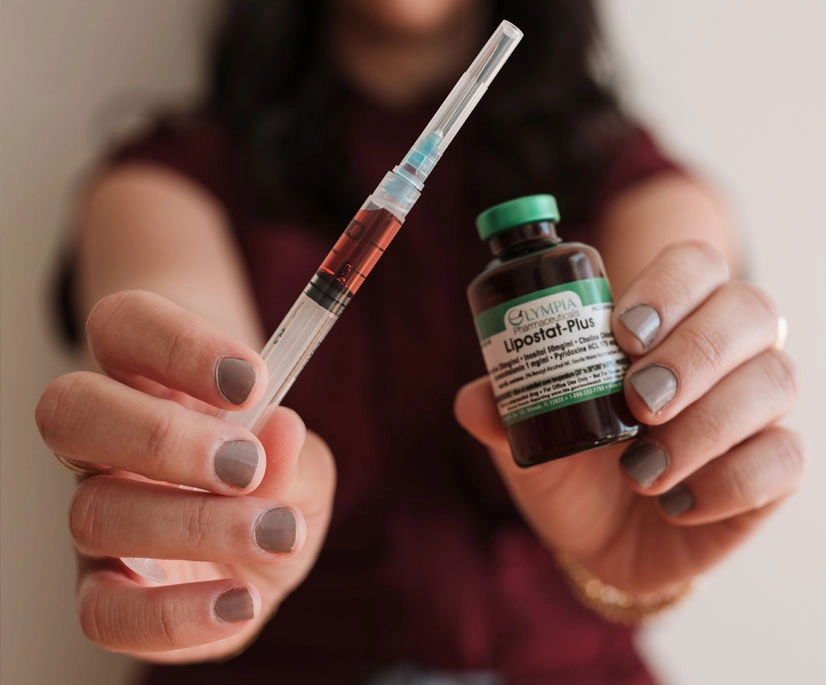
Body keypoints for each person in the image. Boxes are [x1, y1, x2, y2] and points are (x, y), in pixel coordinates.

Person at [37, 1, 805, 683]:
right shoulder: (168, 184)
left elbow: (678, 282)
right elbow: (199, 379)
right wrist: (205, 494)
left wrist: (635, 547)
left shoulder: (636, 186)